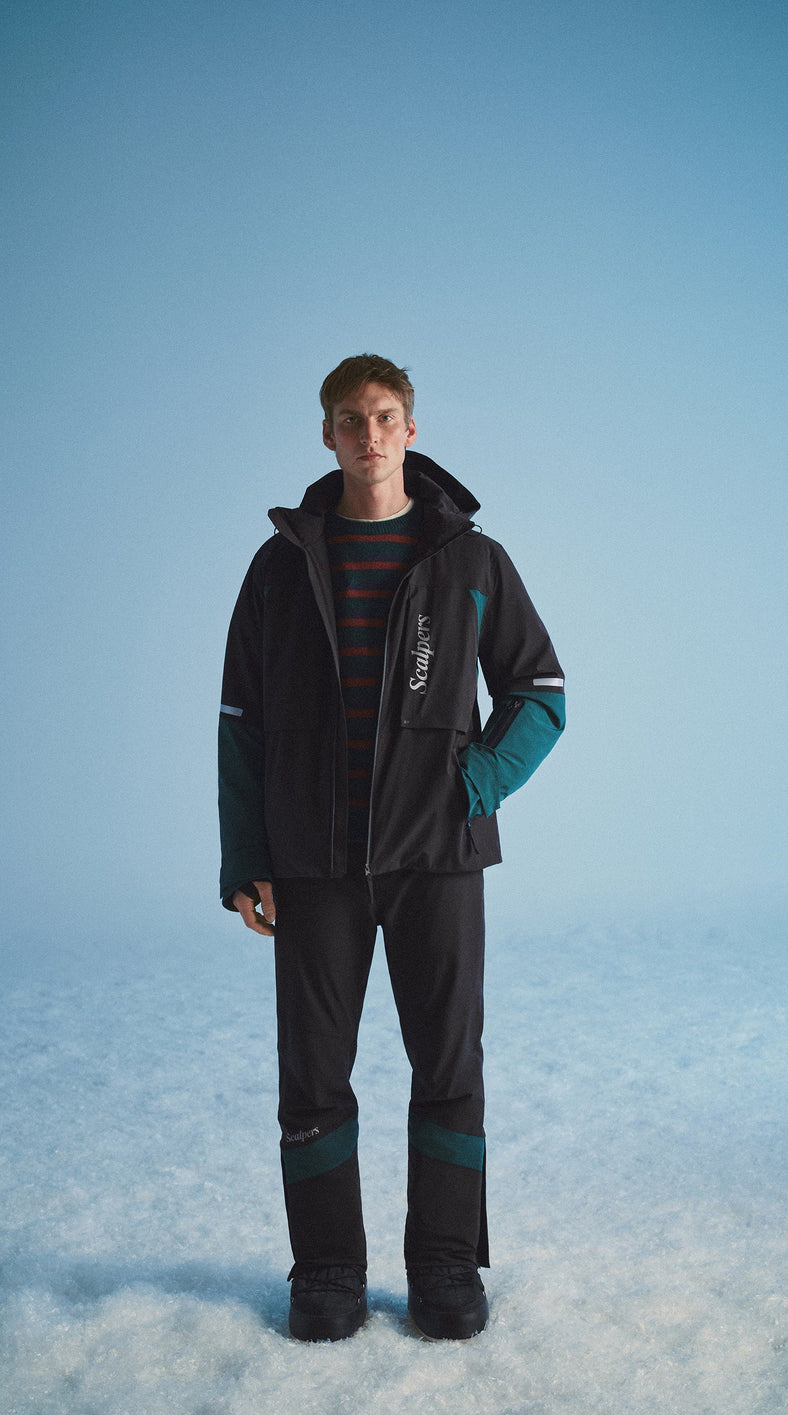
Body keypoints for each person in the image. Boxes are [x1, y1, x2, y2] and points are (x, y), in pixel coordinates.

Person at [218, 354, 564, 1342]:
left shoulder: (471, 562)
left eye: (383, 417)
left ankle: (445, 1267)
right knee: (312, 1075)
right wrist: (245, 859)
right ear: (326, 434)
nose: (366, 434)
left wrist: (473, 786)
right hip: (313, 860)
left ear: (410, 429)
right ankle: (327, 1270)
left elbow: (541, 693)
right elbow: (240, 721)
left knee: (448, 1066)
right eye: (348, 418)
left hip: (436, 860)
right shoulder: (281, 565)